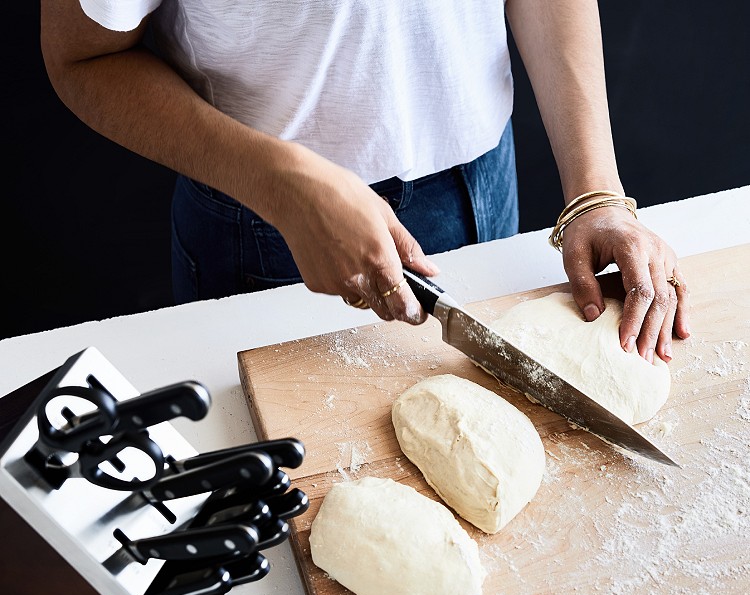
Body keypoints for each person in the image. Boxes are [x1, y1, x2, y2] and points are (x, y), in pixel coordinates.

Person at [40, 0, 689, 364]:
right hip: (267, 228)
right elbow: (81, 56)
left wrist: (596, 191)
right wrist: (279, 183)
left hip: (483, 183)